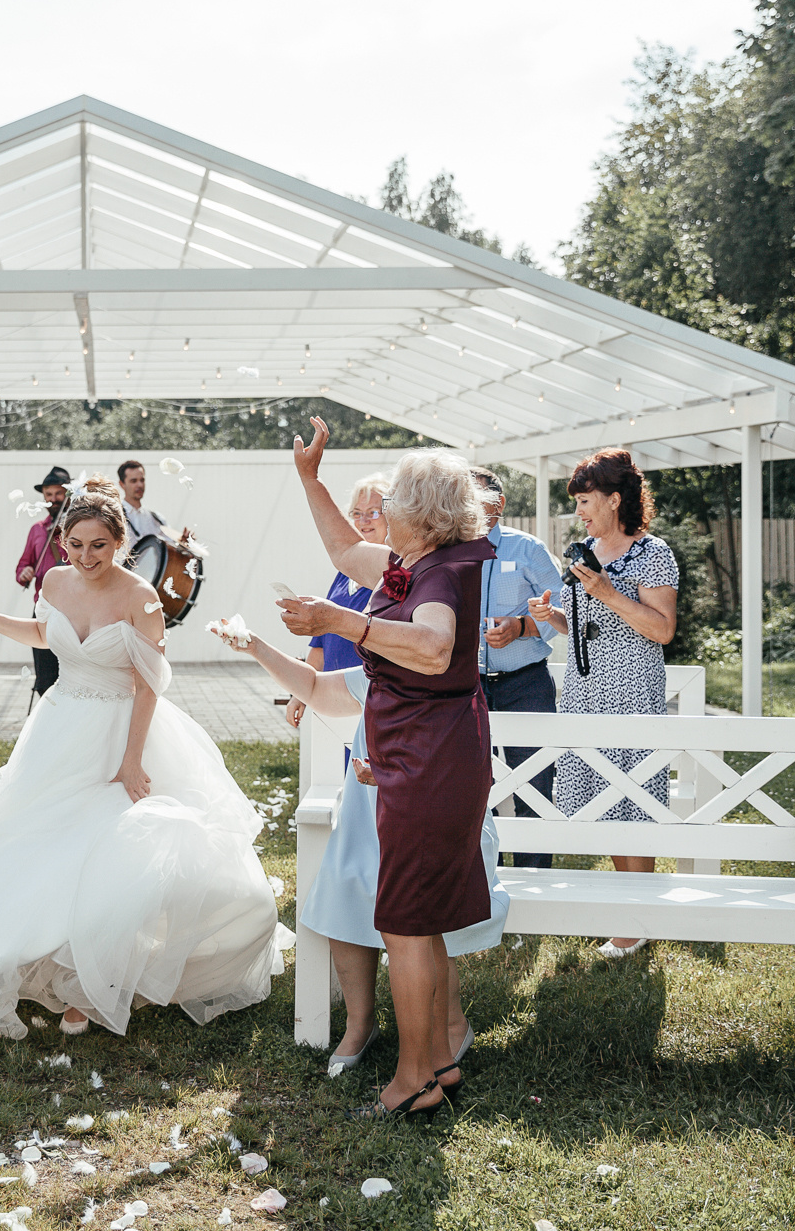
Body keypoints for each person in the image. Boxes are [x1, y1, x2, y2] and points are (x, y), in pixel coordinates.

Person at [0, 478, 286, 1039]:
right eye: (74, 545)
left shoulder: (140, 599)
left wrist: (130, 760)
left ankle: (91, 980)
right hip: (58, 725)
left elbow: (149, 687)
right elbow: (43, 634)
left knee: (110, 846)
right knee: (37, 840)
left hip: (120, 727)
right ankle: (40, 961)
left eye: (97, 545)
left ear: (120, 542)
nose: (84, 557)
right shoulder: (53, 579)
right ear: (62, 541)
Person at [279, 417, 494, 1124]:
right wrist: (310, 478)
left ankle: (410, 1080)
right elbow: (344, 547)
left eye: (391, 503)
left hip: (432, 761)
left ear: (419, 513)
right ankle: (438, 1066)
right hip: (417, 756)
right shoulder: (411, 564)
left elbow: (434, 648)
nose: (381, 514)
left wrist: (341, 623)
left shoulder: (445, 571)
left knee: (403, 922)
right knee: (420, 923)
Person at [211, 616, 506, 1070]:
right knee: (345, 882)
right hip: (371, 820)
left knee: (418, 904)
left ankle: (450, 1024)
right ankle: (359, 1022)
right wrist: (255, 644)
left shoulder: (445, 678)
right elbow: (311, 683)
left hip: (437, 820)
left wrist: (391, 774)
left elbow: (453, 762)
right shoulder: (375, 677)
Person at [527, 448, 678, 957]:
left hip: (631, 690)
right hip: (586, 690)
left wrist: (611, 594)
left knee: (632, 799)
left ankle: (638, 918)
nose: (581, 512)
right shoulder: (583, 551)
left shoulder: (652, 553)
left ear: (616, 500)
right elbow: (586, 628)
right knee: (606, 803)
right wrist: (551, 619)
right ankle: (633, 913)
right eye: (578, 504)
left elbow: (661, 629)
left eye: (587, 501)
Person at [471, 467, 563, 871]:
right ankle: (486, 879)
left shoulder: (528, 550)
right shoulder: (445, 552)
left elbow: (564, 611)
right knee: (474, 787)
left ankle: (535, 879)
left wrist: (522, 627)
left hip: (526, 683)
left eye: (474, 498)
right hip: (467, 687)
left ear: (499, 504)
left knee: (535, 783)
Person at [285, 473, 387, 730]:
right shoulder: (344, 571)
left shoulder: (396, 574)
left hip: (373, 704)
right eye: (356, 512)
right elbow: (320, 645)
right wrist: (301, 693)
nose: (363, 521)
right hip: (332, 704)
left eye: (373, 512)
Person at [15, 466, 71, 697]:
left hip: (75, 609)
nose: (53, 499)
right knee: (45, 674)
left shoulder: (79, 526)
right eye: (48, 495)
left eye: (58, 494)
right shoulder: (37, 530)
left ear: (68, 494)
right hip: (45, 608)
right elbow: (22, 566)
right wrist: (25, 573)